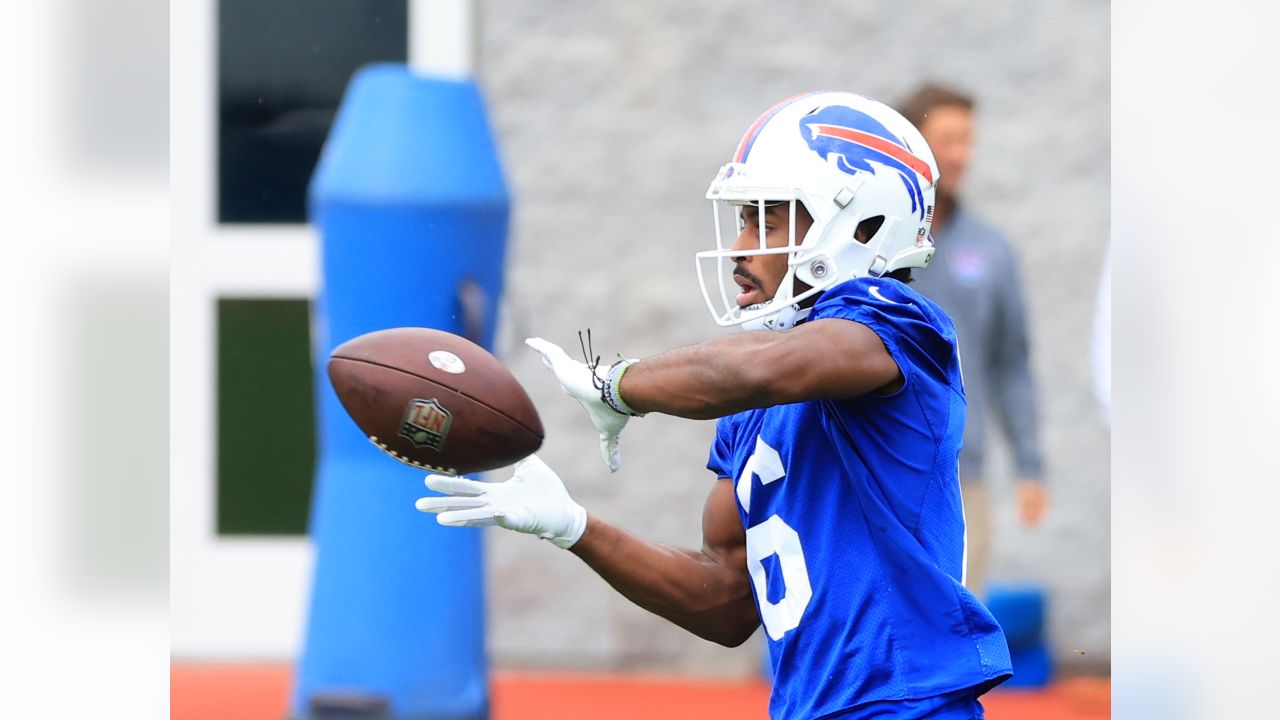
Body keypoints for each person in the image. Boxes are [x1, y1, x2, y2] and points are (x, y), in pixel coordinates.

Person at [417, 92, 1012, 719]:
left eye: (768, 221)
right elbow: (726, 599)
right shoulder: (756, 400)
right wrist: (574, 528)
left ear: (862, 225)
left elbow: (761, 368)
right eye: (743, 222)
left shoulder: (898, 325)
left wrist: (618, 383)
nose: (740, 249)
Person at [898, 84, 1047, 596]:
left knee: (956, 631)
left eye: (968, 140)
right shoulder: (870, 241)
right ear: (912, 145)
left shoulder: (992, 249)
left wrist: (1029, 465)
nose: (962, 154)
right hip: (876, 461)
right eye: (948, 139)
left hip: (963, 474)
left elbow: (1011, 363)